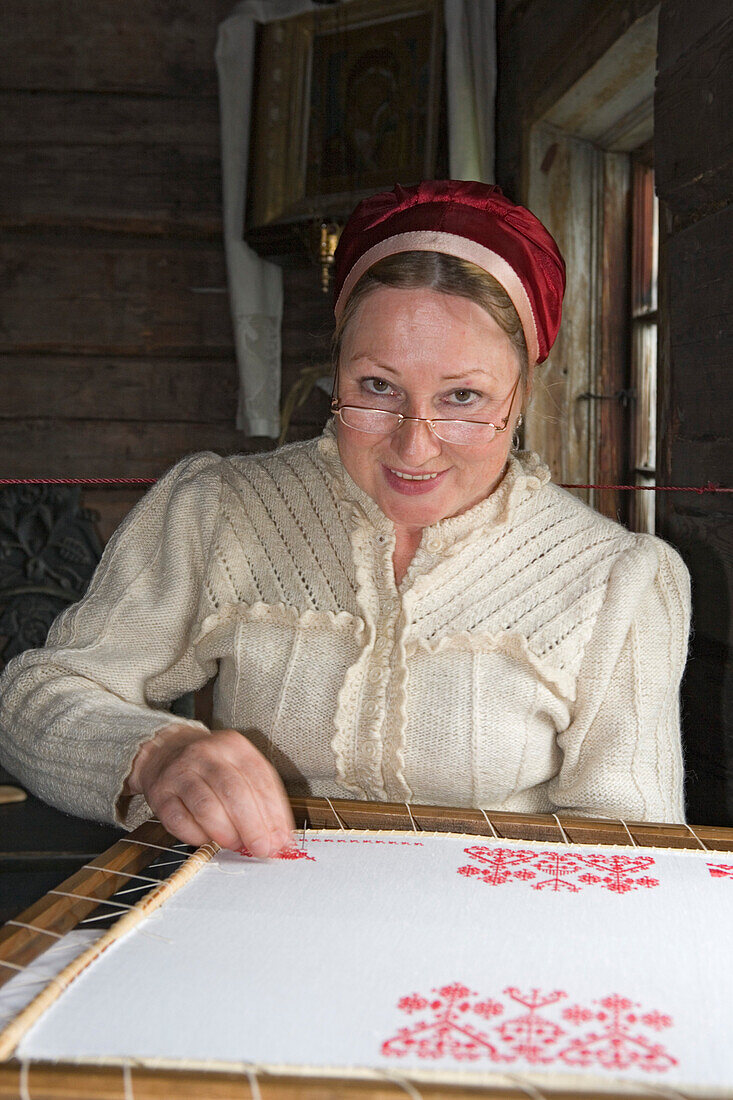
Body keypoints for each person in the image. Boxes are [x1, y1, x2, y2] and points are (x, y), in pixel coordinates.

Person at [0, 181, 690, 858]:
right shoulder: (223, 507)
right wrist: (154, 753)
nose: (414, 447)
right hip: (257, 922)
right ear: (335, 366)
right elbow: (38, 697)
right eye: (377, 387)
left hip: (489, 950)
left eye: (462, 396)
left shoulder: (615, 579)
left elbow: (631, 855)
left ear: (525, 388)